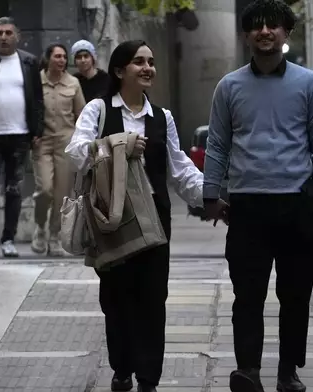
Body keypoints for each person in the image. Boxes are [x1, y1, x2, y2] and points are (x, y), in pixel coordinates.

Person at [203, 1, 313, 392]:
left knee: (295, 296)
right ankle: (248, 371)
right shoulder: (229, 86)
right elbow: (218, 145)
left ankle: (288, 373)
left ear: (285, 34)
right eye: (257, 27)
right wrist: (211, 193)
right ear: (246, 35)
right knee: (248, 297)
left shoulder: (310, 84)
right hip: (247, 207)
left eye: (273, 26)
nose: (265, 32)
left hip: (297, 206)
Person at [65, 40, 204, 392]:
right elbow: (77, 153)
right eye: (139, 62)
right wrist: (120, 144)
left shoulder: (163, 117)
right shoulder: (98, 110)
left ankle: (148, 378)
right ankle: (122, 367)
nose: (148, 68)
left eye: (151, 62)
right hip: (111, 216)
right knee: (116, 297)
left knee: (154, 299)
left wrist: (212, 196)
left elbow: (179, 169)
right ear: (118, 70)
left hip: (155, 218)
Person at [0, 16, 44, 258]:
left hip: (19, 135)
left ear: (17, 36)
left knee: (14, 189)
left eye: (8, 33)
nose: (3, 37)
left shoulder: (29, 62)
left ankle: (9, 238)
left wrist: (37, 131)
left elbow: (37, 99)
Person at [32, 44, 86, 256]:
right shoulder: (37, 82)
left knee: (62, 193)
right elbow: (30, 109)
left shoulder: (73, 83)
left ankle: (54, 236)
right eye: (57, 56)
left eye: (64, 57)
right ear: (48, 59)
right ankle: (40, 227)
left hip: (65, 141)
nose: (62, 60)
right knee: (45, 189)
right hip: (43, 141)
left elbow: (82, 114)